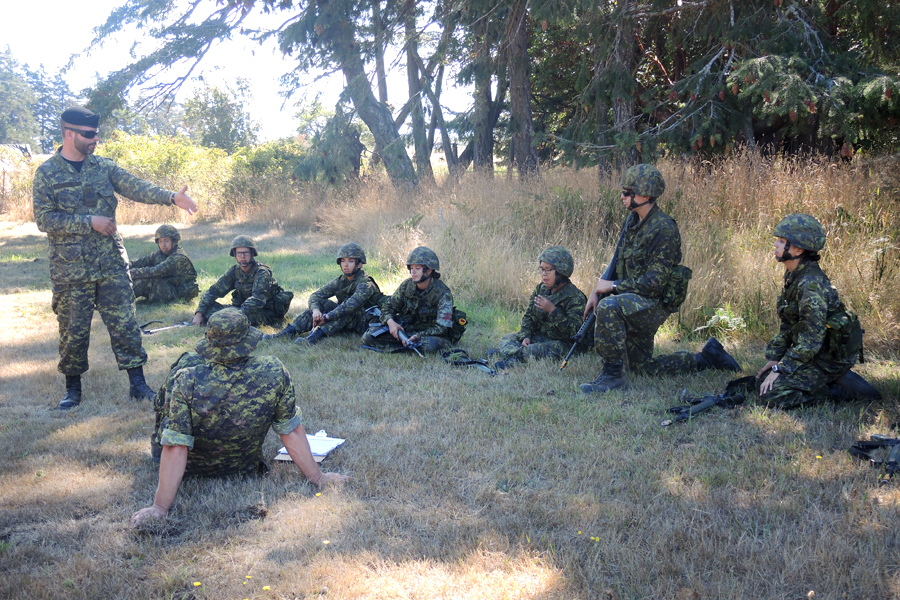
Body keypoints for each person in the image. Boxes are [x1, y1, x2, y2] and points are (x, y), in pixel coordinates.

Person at [32, 106, 198, 410]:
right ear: (69, 133)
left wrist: (172, 197)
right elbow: (45, 219)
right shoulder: (47, 174)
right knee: (73, 330)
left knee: (125, 325)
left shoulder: (104, 168)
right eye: (88, 134)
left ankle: (137, 384)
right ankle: (73, 390)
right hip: (71, 270)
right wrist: (88, 221)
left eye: (96, 133)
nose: (95, 138)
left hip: (111, 265)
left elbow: (137, 187)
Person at [132, 308, 351, 527]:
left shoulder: (186, 378)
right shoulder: (273, 371)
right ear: (248, 340)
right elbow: (290, 430)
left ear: (209, 343)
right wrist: (318, 478)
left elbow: (176, 445)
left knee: (184, 362)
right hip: (244, 468)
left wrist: (159, 507)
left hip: (191, 470)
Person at [580, 163, 740, 394]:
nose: (622, 196)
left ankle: (613, 376)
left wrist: (612, 287)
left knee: (609, 307)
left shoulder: (664, 229)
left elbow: (653, 284)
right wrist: (597, 290)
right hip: (633, 300)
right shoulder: (633, 221)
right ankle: (706, 358)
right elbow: (617, 261)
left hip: (652, 303)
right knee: (642, 368)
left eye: (627, 192)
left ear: (644, 195)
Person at [743, 214, 879, 407]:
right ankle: (827, 381)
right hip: (816, 352)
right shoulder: (795, 275)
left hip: (830, 358)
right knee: (762, 382)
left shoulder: (810, 285)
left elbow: (810, 342)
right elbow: (789, 324)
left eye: (782, 241)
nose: (775, 245)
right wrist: (775, 359)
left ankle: (841, 388)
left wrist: (782, 367)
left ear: (798, 249)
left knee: (771, 396)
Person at [489, 246, 589, 370]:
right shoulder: (541, 289)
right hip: (540, 337)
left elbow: (574, 333)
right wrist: (526, 335)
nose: (543, 274)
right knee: (508, 338)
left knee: (532, 350)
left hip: (562, 344)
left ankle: (512, 357)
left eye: (548, 270)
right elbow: (529, 316)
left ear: (561, 272)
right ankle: (514, 356)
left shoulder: (576, 297)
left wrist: (553, 311)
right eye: (541, 269)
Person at [268, 242, 384, 344]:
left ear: (359, 264)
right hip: (347, 321)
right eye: (343, 261)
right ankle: (287, 332)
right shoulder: (341, 281)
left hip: (365, 322)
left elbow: (351, 305)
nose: (346, 264)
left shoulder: (365, 283)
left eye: (351, 261)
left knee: (347, 309)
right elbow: (316, 295)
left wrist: (327, 317)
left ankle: (314, 337)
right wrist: (316, 311)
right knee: (322, 304)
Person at [361, 246, 455, 354]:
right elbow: (388, 306)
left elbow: (442, 328)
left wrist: (419, 336)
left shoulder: (443, 293)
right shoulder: (407, 285)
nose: (413, 272)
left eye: (417, 268)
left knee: (429, 345)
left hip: (428, 335)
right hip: (406, 330)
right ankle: (407, 344)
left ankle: (408, 344)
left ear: (428, 271)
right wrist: (391, 323)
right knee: (369, 336)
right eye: (411, 268)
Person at [192, 235, 293, 327]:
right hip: (242, 309)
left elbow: (258, 300)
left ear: (252, 254)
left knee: (230, 320)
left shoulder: (262, 272)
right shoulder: (235, 271)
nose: (242, 256)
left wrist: (237, 314)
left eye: (246, 253)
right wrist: (199, 313)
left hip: (264, 312)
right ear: (234, 255)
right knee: (209, 310)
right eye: (239, 253)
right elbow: (214, 290)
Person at [129, 224, 199, 303]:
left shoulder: (178, 258)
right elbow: (140, 262)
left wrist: (129, 273)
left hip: (177, 292)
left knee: (148, 279)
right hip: (167, 287)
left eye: (166, 241)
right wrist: (123, 266)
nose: (163, 245)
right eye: (160, 241)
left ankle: (118, 299)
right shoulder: (161, 253)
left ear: (175, 241)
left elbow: (155, 271)